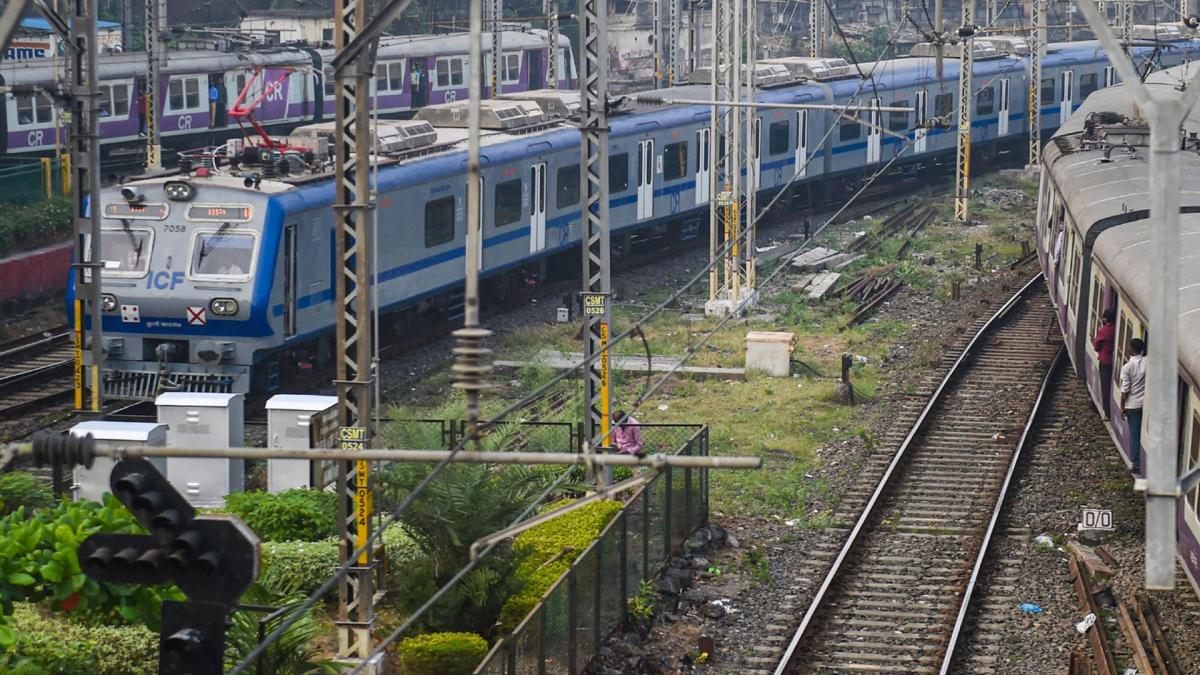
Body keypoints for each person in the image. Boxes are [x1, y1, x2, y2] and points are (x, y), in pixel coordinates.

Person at [1120, 337, 1147, 475]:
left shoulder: (1127, 367)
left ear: (1131, 349)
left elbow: (1125, 390)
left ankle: (1136, 463)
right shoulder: (1148, 362)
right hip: (1146, 405)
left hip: (1132, 405)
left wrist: (1122, 407)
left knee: (1134, 435)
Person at [1093, 308, 1116, 419]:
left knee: (1106, 387)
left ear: (1106, 319)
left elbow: (1096, 346)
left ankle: (1107, 413)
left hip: (1105, 360)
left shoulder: (1104, 330)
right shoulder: (1117, 329)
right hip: (1115, 360)